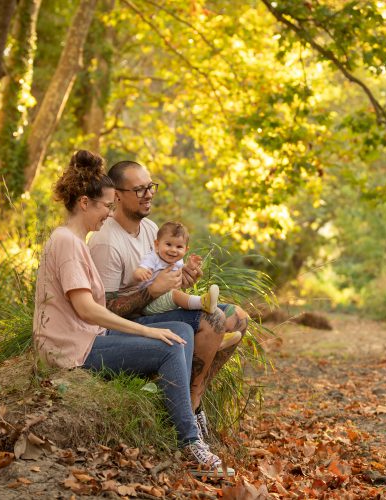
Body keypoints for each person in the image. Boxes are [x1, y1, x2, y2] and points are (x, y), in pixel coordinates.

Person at [33, 150, 231, 475]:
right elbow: (88, 309)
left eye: (112, 206)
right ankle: (189, 443)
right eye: (106, 206)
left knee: (181, 332)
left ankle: (183, 412)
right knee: (171, 344)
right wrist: (148, 332)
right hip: (71, 350)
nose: (109, 213)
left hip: (90, 338)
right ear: (85, 203)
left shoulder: (74, 241)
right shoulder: (67, 242)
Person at [87, 160, 250, 437]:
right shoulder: (106, 241)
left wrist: (184, 277)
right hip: (127, 325)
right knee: (213, 319)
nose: (149, 194)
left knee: (240, 318)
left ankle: (193, 398)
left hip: (160, 309)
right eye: (139, 189)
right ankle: (190, 407)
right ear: (116, 195)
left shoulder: (152, 229)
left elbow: (166, 275)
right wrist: (152, 290)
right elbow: (103, 309)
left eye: (150, 186)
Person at [134, 221, 220, 316]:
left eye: (179, 247)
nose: (173, 250)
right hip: (148, 304)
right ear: (157, 245)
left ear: (186, 250)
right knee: (175, 294)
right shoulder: (153, 258)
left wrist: (190, 266)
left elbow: (182, 273)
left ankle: (207, 306)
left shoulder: (178, 261)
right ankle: (202, 302)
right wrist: (140, 272)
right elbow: (142, 268)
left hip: (166, 298)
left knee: (178, 296)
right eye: (168, 244)